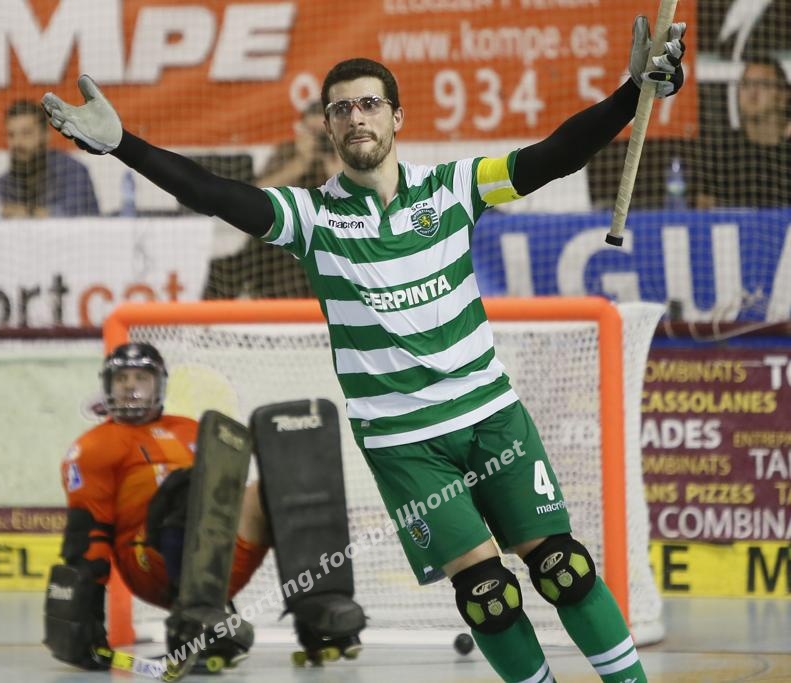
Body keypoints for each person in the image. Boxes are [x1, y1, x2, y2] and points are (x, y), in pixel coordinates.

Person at [41, 15, 687, 681]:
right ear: (328, 126)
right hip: (405, 442)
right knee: (486, 595)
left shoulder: (455, 187)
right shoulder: (311, 218)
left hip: (491, 416)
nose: (356, 117)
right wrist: (124, 145)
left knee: (562, 566)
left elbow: (555, 154)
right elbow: (210, 193)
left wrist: (630, 93)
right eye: (341, 108)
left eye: (370, 104)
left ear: (396, 117)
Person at [44, 342, 271, 670]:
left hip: (218, 558)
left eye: (141, 378)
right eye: (121, 379)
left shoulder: (193, 429)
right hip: (149, 562)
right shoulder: (92, 447)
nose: (130, 386)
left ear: (159, 385)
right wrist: (81, 623)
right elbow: (88, 536)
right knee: (187, 484)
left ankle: (321, 612)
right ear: (107, 386)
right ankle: (188, 621)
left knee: (274, 483)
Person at [203, 102, 339, 299]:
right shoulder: (288, 152)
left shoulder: (347, 156)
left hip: (327, 240)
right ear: (300, 131)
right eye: (312, 132)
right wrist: (300, 163)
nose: (319, 139)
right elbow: (256, 196)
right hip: (277, 247)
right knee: (225, 267)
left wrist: (335, 170)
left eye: (324, 133)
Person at [696, 56, 791, 208]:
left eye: (763, 84)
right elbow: (704, 206)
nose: (752, 93)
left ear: (783, 95)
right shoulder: (722, 152)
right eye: (746, 84)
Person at [0, 99, 100, 218]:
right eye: (11, 135)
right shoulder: (3, 184)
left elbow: (74, 217)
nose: (17, 142)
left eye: (26, 133)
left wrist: (27, 213)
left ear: (46, 135)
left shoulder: (73, 172)